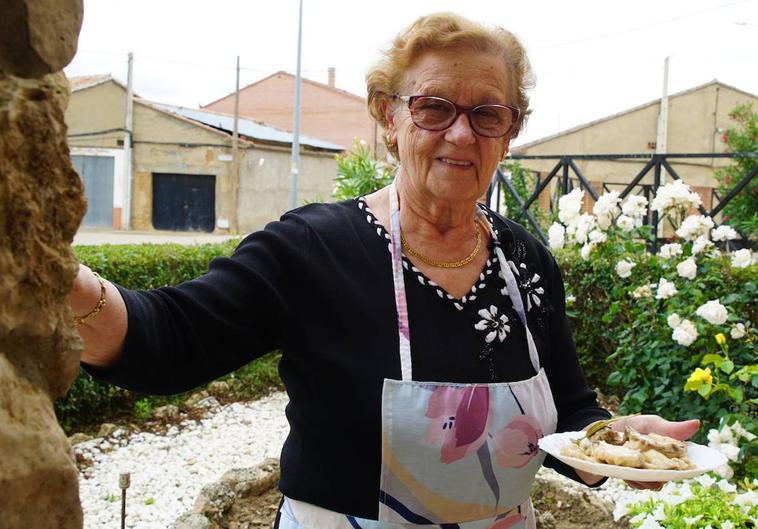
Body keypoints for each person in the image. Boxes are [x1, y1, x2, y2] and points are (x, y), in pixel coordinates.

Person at [70, 12, 699, 529]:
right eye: (433, 107)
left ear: (509, 133)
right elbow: (169, 337)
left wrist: (618, 447)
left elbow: (569, 414)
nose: (461, 133)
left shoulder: (525, 262)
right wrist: (62, 280)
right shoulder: (314, 249)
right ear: (389, 118)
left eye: (488, 113)